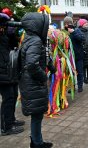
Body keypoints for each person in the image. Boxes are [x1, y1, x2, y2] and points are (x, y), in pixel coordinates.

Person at [19, 12, 53, 147]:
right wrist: (43, 76)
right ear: (37, 25)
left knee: (36, 116)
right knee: (37, 116)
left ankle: (37, 141)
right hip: (33, 83)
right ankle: (36, 143)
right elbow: (32, 64)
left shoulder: (29, 38)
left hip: (29, 82)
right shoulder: (35, 40)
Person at [0, 14, 25, 136]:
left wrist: (10, 33)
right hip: (2, 74)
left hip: (9, 71)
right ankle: (6, 127)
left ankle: (11, 120)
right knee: (8, 99)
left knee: (13, 96)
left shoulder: (4, 35)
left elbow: (12, 44)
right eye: (6, 23)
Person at [63, 16, 85, 92]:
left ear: (72, 23)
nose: (67, 25)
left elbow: (82, 39)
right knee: (70, 72)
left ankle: (80, 86)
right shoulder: (64, 32)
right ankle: (72, 87)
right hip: (69, 56)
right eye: (66, 23)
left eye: (69, 23)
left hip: (78, 55)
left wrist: (73, 32)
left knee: (80, 72)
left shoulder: (77, 30)